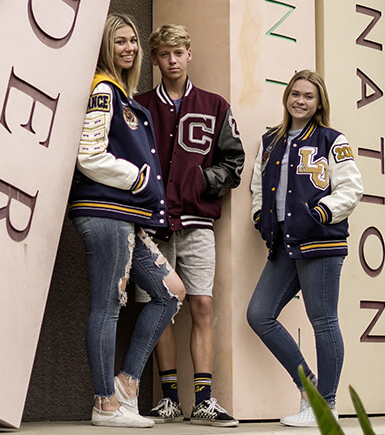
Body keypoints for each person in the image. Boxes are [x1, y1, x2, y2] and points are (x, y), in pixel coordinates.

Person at [68, 12, 187, 428]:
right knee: (108, 305)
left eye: (133, 41)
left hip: (127, 216)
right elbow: (89, 154)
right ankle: (105, 403)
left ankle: (127, 383)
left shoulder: (122, 93)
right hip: (105, 211)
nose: (129, 48)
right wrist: (136, 178)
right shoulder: (103, 89)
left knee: (171, 292)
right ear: (105, 45)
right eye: (120, 41)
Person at [133, 24, 244, 427]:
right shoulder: (140, 105)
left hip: (197, 222)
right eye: (164, 54)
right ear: (156, 59)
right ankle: (168, 399)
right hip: (153, 225)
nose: (173, 60)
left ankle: (203, 400)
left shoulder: (214, 105)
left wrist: (201, 182)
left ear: (189, 54)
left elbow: (234, 163)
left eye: (179, 52)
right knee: (160, 309)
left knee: (201, 303)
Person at [245, 70, 363, 427]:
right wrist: (258, 217)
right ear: (287, 97)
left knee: (323, 320)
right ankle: (309, 388)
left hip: (321, 242)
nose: (300, 100)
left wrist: (320, 212)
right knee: (259, 315)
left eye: (308, 96)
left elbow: (351, 187)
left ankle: (325, 404)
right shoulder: (270, 141)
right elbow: (256, 185)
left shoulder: (331, 140)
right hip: (284, 243)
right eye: (295, 93)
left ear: (318, 102)